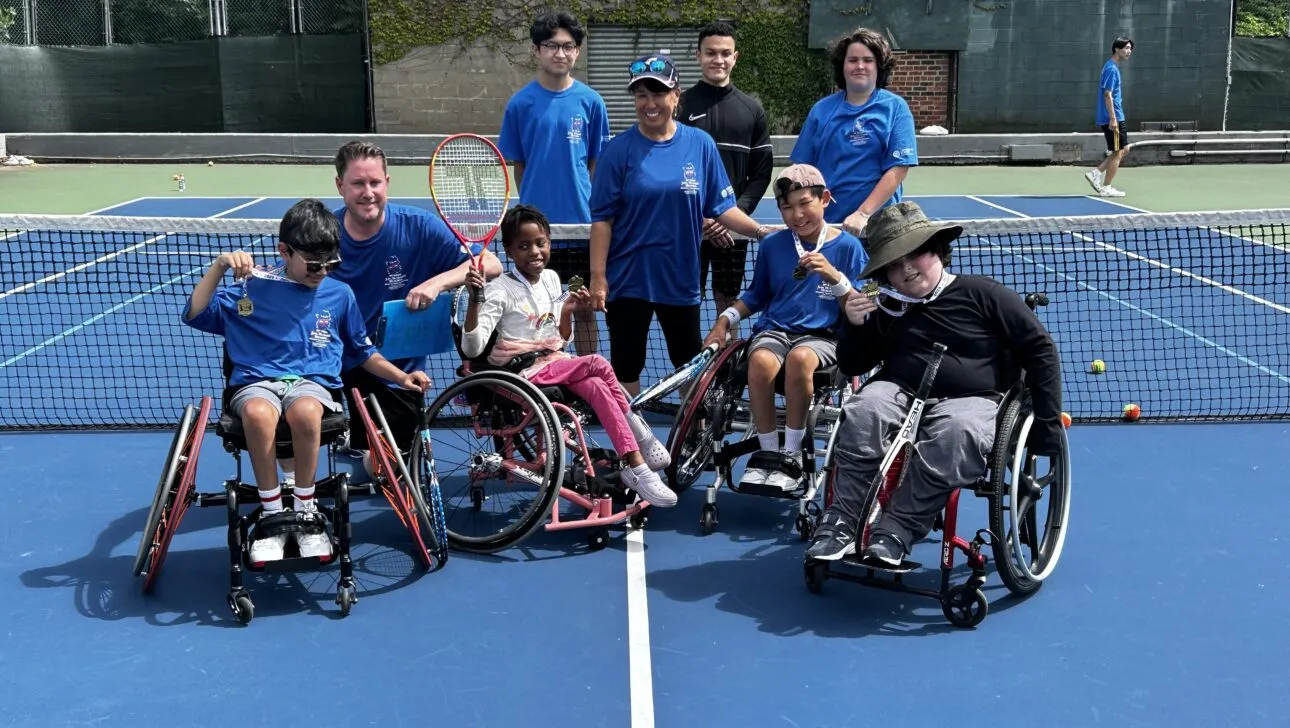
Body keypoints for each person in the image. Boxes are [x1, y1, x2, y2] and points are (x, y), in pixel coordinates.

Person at [805, 201, 1064, 566]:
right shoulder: (885, 305)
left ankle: (897, 528)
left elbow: (1039, 348)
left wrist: (1048, 424)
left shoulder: (983, 294)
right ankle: (841, 522)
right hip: (898, 389)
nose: (907, 269)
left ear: (938, 251)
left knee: (958, 432)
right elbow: (854, 364)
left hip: (972, 398)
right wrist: (854, 325)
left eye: (916, 255)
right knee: (864, 409)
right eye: (894, 265)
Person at [182, 199, 431, 563]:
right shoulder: (248, 288)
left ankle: (306, 510)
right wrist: (220, 267)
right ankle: (271, 515)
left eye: (331, 264)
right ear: (285, 251)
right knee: (256, 413)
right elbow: (196, 313)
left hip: (313, 384)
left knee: (305, 411)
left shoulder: (340, 294)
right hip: (256, 383)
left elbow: (362, 351)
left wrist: (401, 376)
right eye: (314, 265)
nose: (323, 271)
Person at [460, 205, 677, 508]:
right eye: (523, 246)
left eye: (540, 243)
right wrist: (474, 300)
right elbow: (472, 348)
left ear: (549, 242)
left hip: (554, 362)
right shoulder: (498, 290)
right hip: (521, 374)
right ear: (508, 250)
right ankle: (641, 434)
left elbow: (561, 337)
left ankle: (635, 465)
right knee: (598, 363)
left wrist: (570, 310)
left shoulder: (551, 278)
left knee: (598, 386)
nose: (534, 252)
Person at [588, 53, 773, 398]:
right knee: (627, 364)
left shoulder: (699, 145)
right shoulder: (617, 150)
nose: (650, 103)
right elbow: (602, 220)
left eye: (658, 93)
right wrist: (599, 278)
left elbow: (721, 207)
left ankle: (691, 433)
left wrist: (761, 232)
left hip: (681, 279)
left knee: (688, 364)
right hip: (628, 280)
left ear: (676, 96)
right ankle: (635, 444)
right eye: (641, 95)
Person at [329, 140, 502, 457]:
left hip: (398, 371)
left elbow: (491, 264)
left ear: (387, 183)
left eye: (375, 182)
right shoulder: (325, 234)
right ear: (340, 185)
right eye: (357, 183)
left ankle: (366, 441)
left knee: (395, 465)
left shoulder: (418, 227)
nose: (368, 192)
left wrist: (437, 283)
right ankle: (351, 432)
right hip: (337, 362)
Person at [701, 165, 867, 491]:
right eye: (787, 207)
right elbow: (756, 295)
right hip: (776, 329)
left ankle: (790, 456)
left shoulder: (849, 247)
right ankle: (768, 455)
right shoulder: (773, 245)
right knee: (760, 362)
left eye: (804, 203)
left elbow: (863, 303)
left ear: (825, 199)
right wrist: (724, 320)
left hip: (823, 336)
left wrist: (835, 278)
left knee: (801, 359)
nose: (797, 214)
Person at [498, 9, 610, 356]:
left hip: (580, 231)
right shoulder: (520, 104)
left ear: (577, 51)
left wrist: (583, 202)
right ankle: (547, 377)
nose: (560, 53)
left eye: (568, 46)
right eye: (552, 46)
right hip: (535, 235)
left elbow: (595, 164)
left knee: (584, 308)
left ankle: (589, 373)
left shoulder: (591, 102)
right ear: (537, 50)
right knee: (538, 312)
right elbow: (521, 165)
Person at [677, 20, 774, 331]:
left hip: (732, 230)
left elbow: (761, 174)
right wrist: (701, 218)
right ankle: (692, 366)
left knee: (727, 300)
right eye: (710, 53)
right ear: (698, 55)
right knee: (686, 300)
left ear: (736, 57)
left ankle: (725, 372)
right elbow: (669, 166)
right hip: (688, 228)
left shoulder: (752, 109)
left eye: (725, 53)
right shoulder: (680, 105)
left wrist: (732, 216)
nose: (718, 60)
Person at [790, 27, 918, 238]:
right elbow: (801, 170)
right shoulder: (821, 110)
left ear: (879, 66)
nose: (860, 66)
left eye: (868, 60)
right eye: (852, 60)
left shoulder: (896, 108)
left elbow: (898, 168)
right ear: (842, 66)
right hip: (829, 227)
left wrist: (862, 214)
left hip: (880, 228)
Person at [1084, 37, 1133, 198]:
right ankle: (1106, 186)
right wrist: (1113, 118)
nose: (1128, 51)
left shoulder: (1111, 67)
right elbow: (1107, 94)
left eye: (1130, 48)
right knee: (1118, 152)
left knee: (1124, 149)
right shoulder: (1111, 69)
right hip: (1114, 117)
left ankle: (1096, 174)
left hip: (1117, 116)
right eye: (1125, 48)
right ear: (1116, 49)